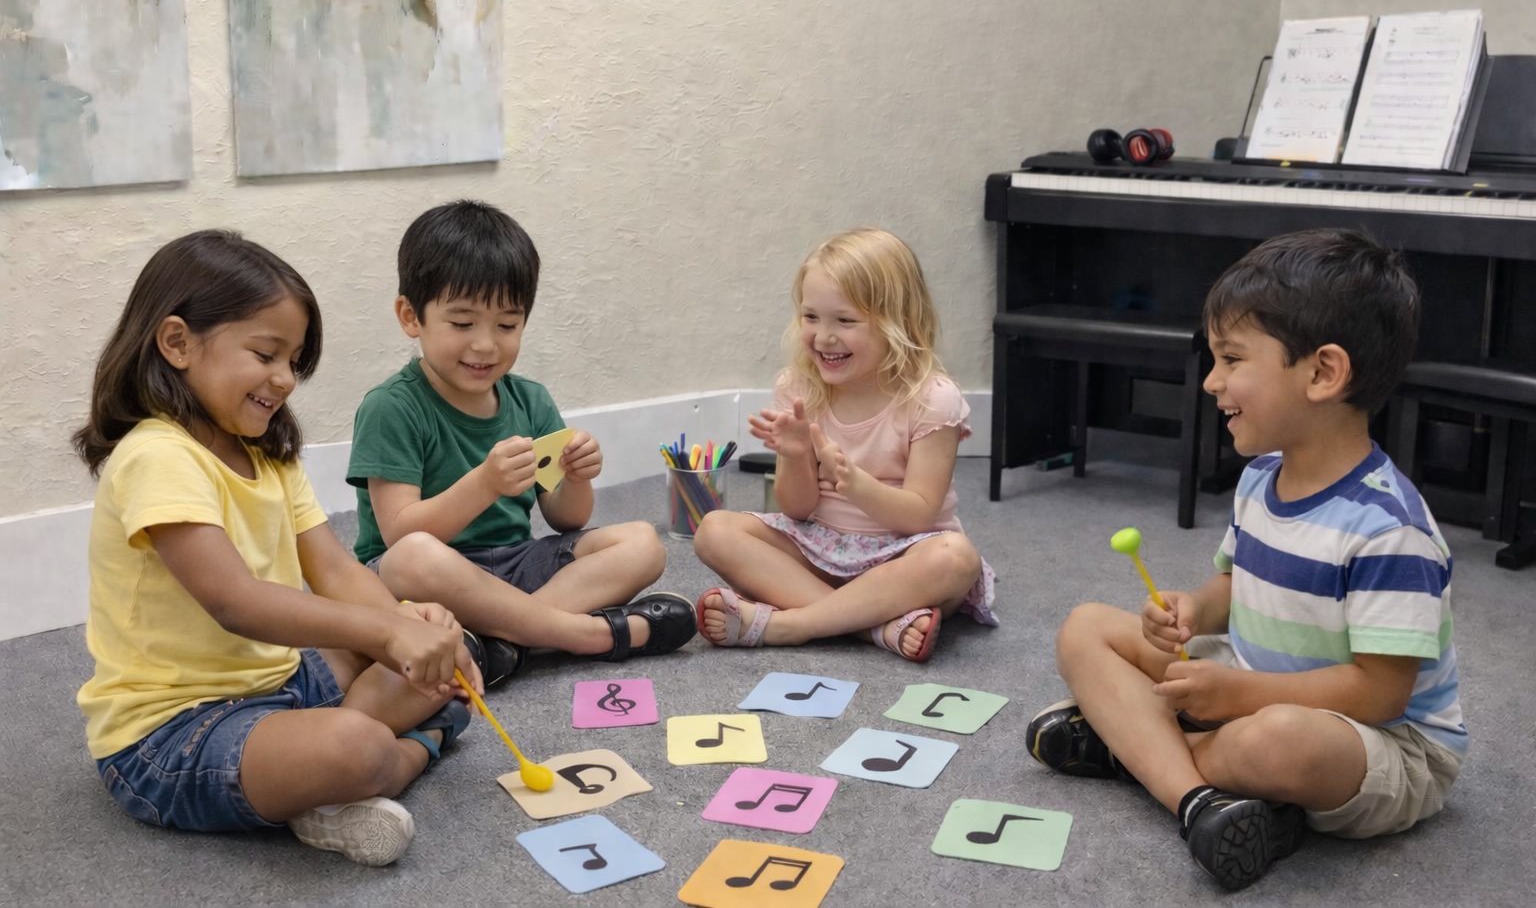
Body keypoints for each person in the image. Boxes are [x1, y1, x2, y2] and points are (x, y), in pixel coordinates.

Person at [1025, 229, 1467, 891]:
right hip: (1253, 679)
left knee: (1278, 741)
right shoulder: (1261, 477)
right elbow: (1236, 582)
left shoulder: (1389, 530)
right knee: (1085, 627)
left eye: (1232, 359)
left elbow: (1380, 692)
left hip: (1385, 741)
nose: (1211, 381)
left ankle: (1133, 753)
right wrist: (1194, 608)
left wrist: (1241, 695)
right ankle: (1202, 795)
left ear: (1323, 373)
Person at [74, 230, 481, 867]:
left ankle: (330, 774)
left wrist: (407, 624)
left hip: (282, 681)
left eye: (294, 362)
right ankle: (399, 756)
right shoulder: (156, 457)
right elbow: (238, 603)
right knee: (359, 745)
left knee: (446, 667)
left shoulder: (265, 450)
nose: (284, 379)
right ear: (177, 342)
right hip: (172, 736)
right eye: (266, 354)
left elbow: (333, 567)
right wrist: (389, 638)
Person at [348, 200, 695, 685]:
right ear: (411, 316)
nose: (486, 345)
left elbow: (565, 518)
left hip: (513, 562)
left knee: (642, 544)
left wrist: (576, 477)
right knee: (413, 558)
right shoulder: (391, 407)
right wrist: (485, 484)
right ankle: (585, 634)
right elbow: (400, 536)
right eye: (463, 323)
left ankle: (503, 642)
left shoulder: (530, 400)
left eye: (507, 325)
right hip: (428, 579)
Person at [692, 228, 998, 661]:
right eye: (811, 317)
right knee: (714, 531)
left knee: (956, 559)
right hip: (820, 549)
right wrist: (797, 457)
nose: (823, 337)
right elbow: (796, 510)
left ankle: (788, 625)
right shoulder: (798, 387)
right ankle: (873, 628)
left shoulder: (932, 398)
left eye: (845, 321)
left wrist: (855, 484)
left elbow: (919, 515)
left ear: (899, 323)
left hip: (902, 561)